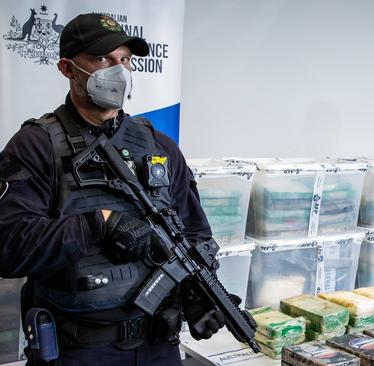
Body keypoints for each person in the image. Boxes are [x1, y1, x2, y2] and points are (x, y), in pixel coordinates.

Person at [0, 14, 225, 365]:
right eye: (102, 59)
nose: (118, 71)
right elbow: (8, 247)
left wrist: (197, 294)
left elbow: (195, 232)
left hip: (158, 347)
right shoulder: (35, 145)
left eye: (124, 60)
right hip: (79, 350)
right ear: (67, 68)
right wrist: (97, 224)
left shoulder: (159, 145)